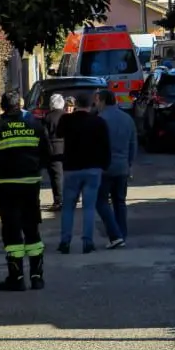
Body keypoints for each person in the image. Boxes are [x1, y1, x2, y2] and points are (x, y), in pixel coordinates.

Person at [0, 92, 47, 290]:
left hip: (8, 184)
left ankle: (16, 278)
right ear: (21, 104)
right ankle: (37, 277)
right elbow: (46, 151)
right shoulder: (33, 123)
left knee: (12, 229)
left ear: (3, 107)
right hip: (30, 183)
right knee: (32, 228)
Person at [55, 95, 110, 254]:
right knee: (89, 207)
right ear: (91, 105)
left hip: (72, 168)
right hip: (93, 169)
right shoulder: (99, 122)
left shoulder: (66, 120)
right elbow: (106, 146)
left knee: (68, 207)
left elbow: (58, 134)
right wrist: (104, 165)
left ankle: (65, 241)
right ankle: (87, 242)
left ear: (76, 104)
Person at [94, 89, 136, 249]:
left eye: (97, 101)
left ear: (103, 101)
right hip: (122, 167)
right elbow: (133, 145)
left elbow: (96, 146)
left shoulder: (100, 120)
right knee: (120, 201)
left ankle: (115, 235)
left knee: (101, 201)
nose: (96, 104)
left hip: (105, 168)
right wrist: (129, 163)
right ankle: (121, 235)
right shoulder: (127, 119)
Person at [42, 92, 69, 212]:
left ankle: (59, 201)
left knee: (56, 177)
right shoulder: (67, 116)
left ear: (51, 105)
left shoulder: (47, 117)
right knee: (66, 175)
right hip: (67, 148)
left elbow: (44, 136)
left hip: (53, 149)